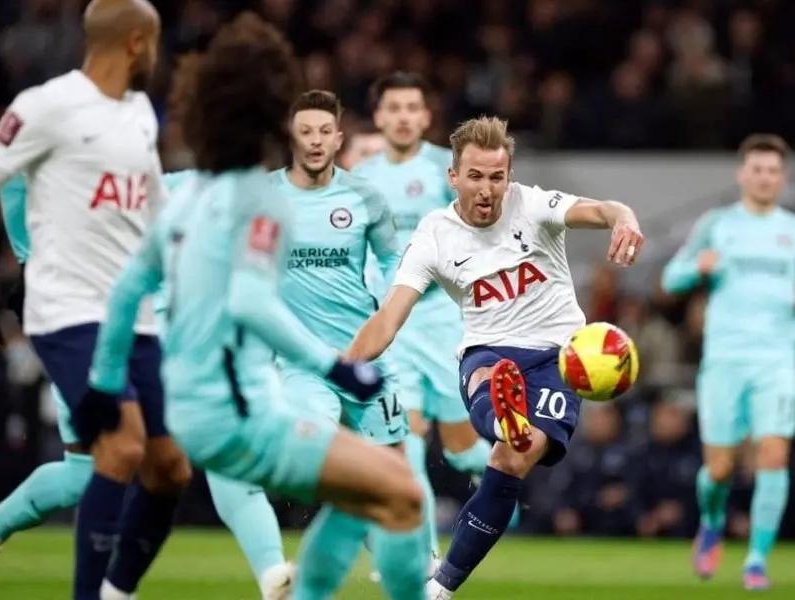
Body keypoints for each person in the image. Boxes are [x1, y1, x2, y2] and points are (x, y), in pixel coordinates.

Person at [79, 13, 424, 600]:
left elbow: (127, 292)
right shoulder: (260, 202)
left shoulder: (188, 199)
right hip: (241, 412)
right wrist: (336, 367)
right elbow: (251, 301)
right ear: (274, 117)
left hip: (187, 411)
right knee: (405, 491)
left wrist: (102, 387)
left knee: (369, 487)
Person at [0, 1, 193, 597]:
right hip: (67, 311)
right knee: (120, 445)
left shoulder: (138, 113)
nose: (157, 57)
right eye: (155, 45)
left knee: (168, 468)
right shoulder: (45, 106)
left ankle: (111, 590)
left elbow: (151, 206)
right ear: (137, 42)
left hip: (133, 313)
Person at [346, 115, 644, 599]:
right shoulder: (434, 235)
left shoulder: (533, 205)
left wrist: (624, 216)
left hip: (560, 359)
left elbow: (602, 209)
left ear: (509, 176)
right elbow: (388, 319)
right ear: (454, 176)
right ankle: (504, 420)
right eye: (476, 177)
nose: (487, 190)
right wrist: (339, 370)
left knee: (512, 457)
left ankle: (440, 588)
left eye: (497, 177)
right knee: (495, 393)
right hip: (487, 352)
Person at [0, 173, 295, 599]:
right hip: (85, 336)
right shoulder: (77, 185)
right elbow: (12, 177)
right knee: (86, 473)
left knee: (220, 457)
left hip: (163, 344)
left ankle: (272, 575)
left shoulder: (184, 184)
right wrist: (24, 260)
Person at [272, 88, 429, 599]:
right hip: (301, 363)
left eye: (324, 132)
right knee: (329, 462)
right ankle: (311, 577)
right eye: (305, 132)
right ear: (291, 138)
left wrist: (389, 307)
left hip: (362, 358)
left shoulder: (365, 198)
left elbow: (392, 262)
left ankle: (419, 575)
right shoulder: (266, 198)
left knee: (395, 473)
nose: (315, 141)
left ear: (339, 139)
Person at [661, 133, 795, 590]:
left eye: (773, 171)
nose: (764, 177)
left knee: (773, 455)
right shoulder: (716, 225)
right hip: (724, 361)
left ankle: (756, 559)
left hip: (776, 360)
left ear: (783, 178)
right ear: (741, 174)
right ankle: (712, 520)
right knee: (718, 469)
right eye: (757, 169)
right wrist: (698, 267)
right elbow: (670, 276)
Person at [352, 71, 493, 559]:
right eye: (394, 108)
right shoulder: (361, 175)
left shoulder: (446, 170)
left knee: (459, 447)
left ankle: (497, 466)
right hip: (393, 326)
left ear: (427, 116)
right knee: (406, 444)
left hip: (446, 323)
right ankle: (424, 559)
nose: (404, 117)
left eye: (413, 107)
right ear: (379, 116)